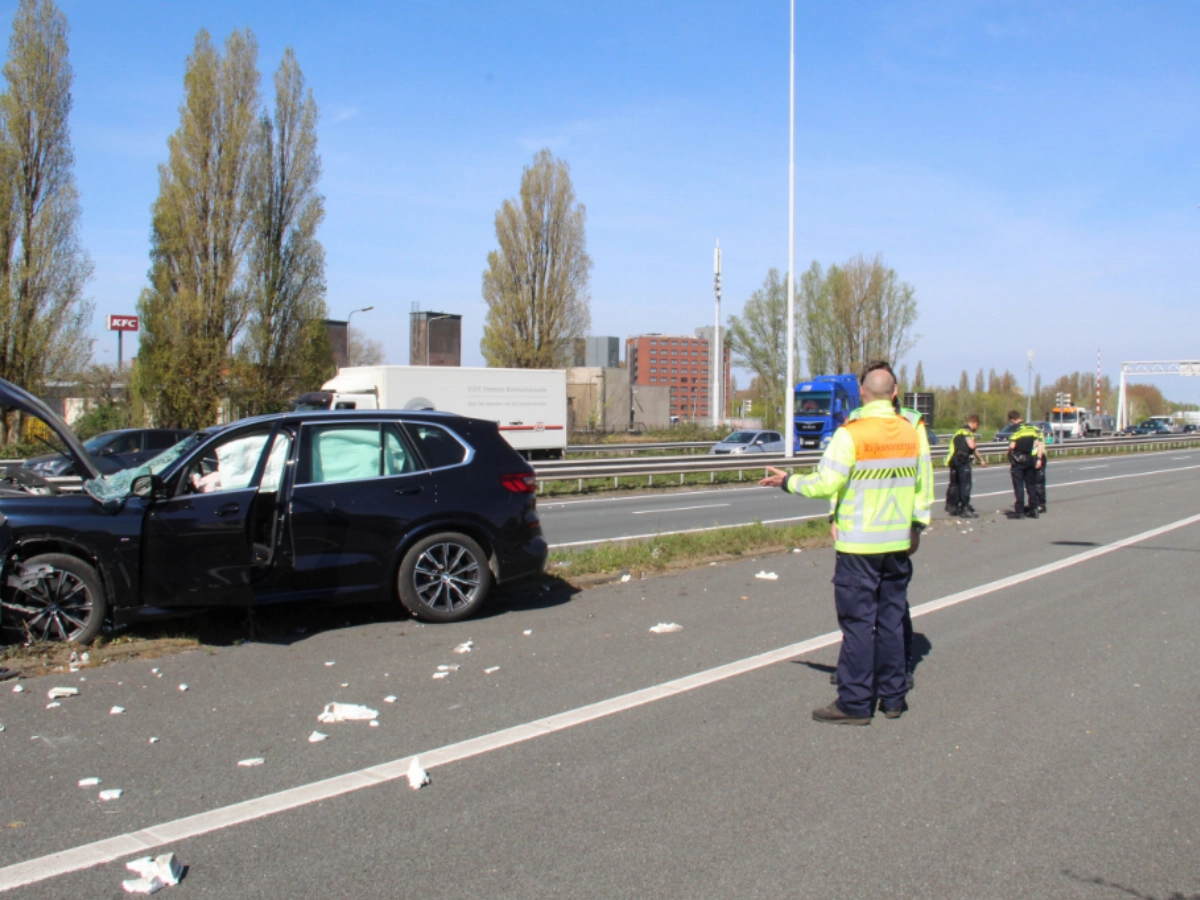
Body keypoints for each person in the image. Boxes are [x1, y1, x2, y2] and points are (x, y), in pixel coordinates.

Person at [761, 366, 931, 725]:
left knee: (858, 625)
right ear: (894, 394)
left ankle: (855, 702)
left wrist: (788, 482)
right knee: (891, 622)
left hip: (859, 546)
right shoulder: (912, 432)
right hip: (897, 543)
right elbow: (922, 486)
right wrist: (917, 525)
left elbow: (826, 483)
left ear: (863, 394)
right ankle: (894, 698)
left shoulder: (850, 434)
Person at [945, 415, 987, 517]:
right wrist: (981, 459)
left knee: (955, 485)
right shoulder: (967, 432)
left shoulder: (958, 432)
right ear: (975, 423)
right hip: (962, 461)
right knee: (965, 485)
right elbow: (972, 446)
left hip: (953, 461)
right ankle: (965, 508)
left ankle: (953, 507)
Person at [1006, 411, 1044, 518]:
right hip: (1030, 459)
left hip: (1019, 460)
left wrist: (1008, 453)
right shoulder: (1031, 428)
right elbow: (1038, 443)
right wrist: (1039, 459)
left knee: (1019, 485)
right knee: (1031, 485)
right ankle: (1033, 509)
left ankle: (1020, 511)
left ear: (1013, 420)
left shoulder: (1017, 429)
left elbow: (1012, 446)